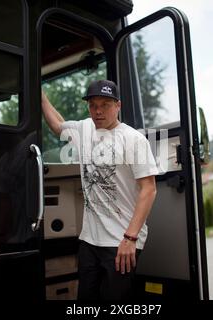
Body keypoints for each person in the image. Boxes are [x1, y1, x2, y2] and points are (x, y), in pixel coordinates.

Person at [41, 79, 158, 300]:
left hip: (121, 241)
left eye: (105, 104)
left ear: (118, 106)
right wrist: (40, 96)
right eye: (93, 105)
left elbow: (149, 190)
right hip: (89, 240)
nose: (98, 111)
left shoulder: (134, 139)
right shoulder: (85, 129)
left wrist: (130, 238)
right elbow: (58, 125)